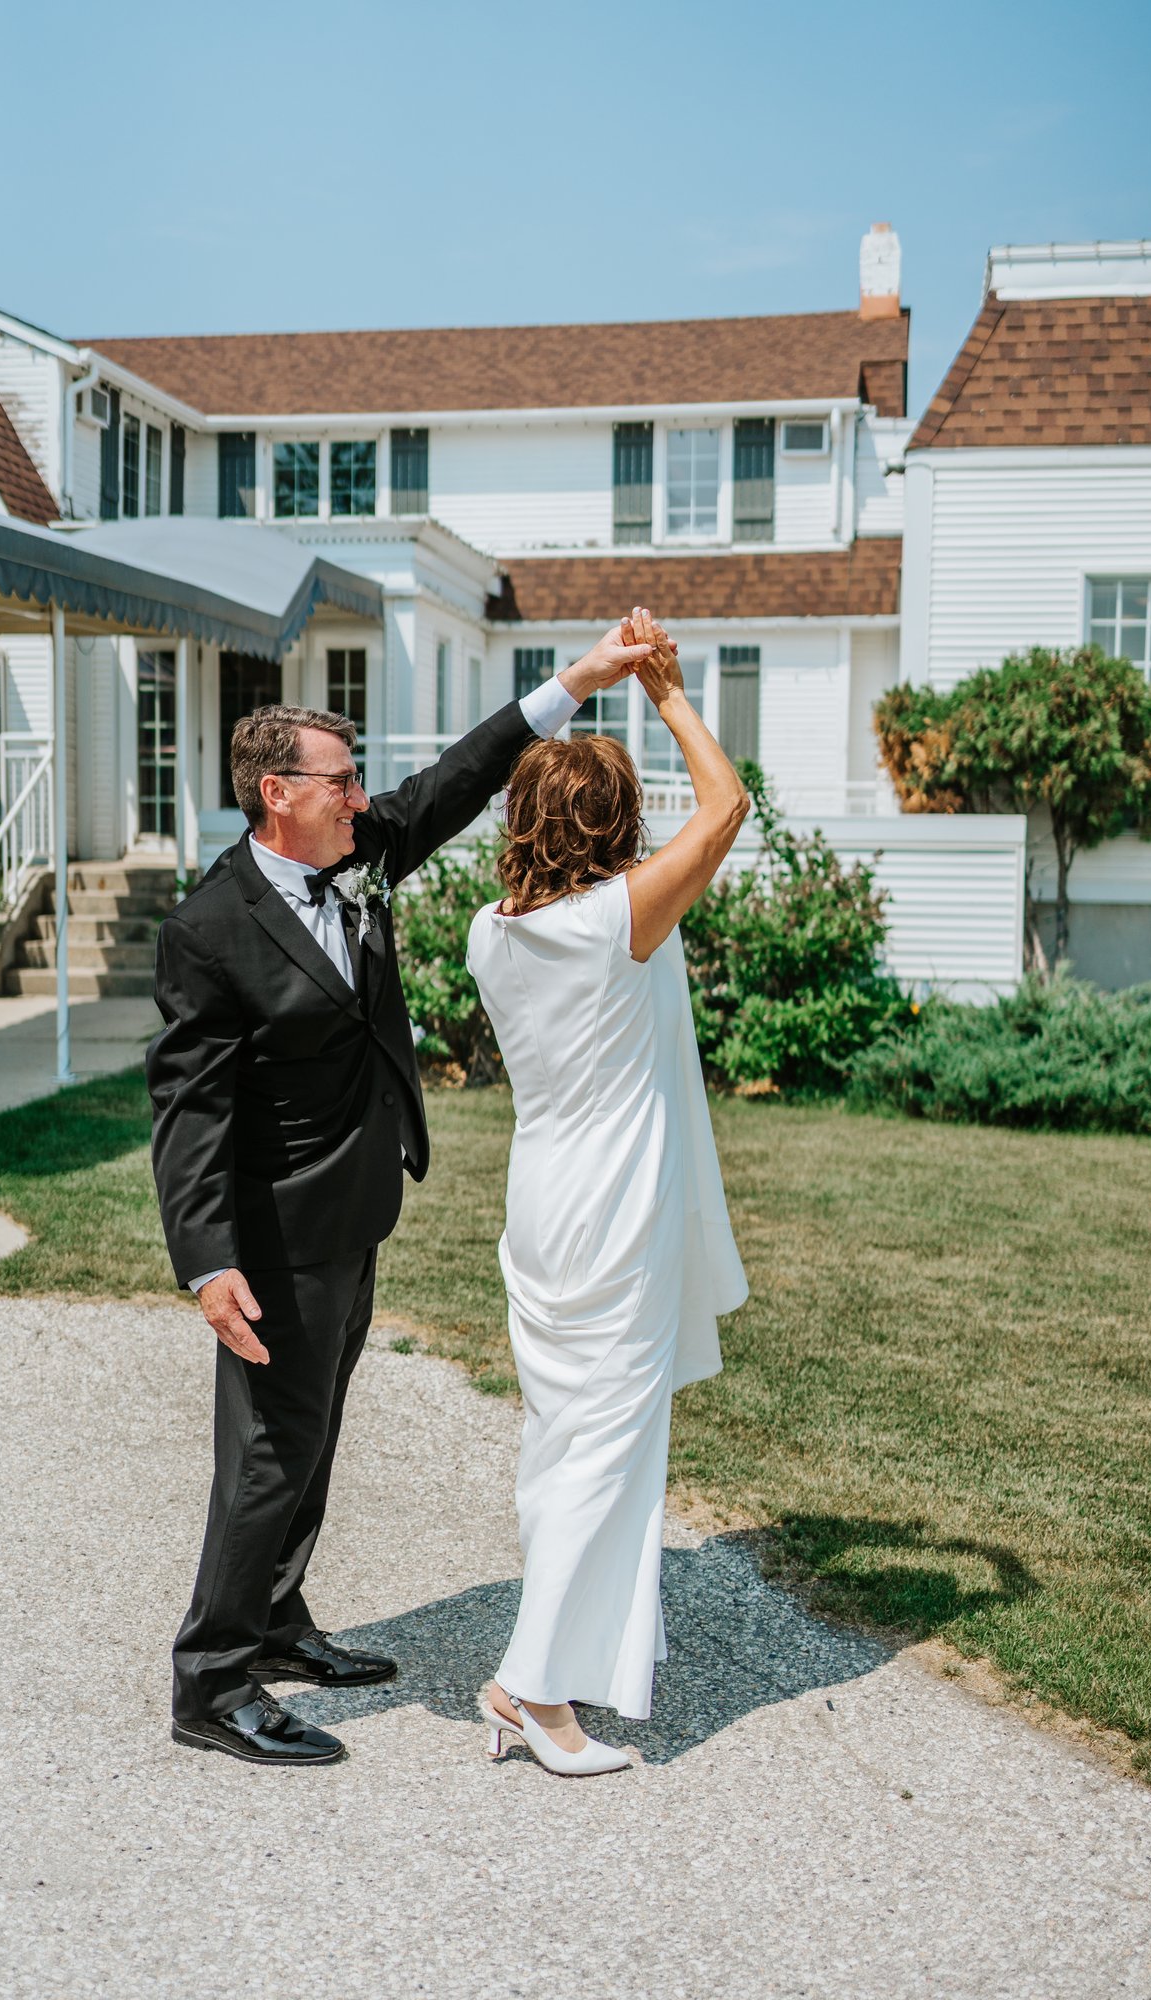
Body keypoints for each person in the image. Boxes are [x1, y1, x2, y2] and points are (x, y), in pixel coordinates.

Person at [146, 623, 655, 1767]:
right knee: (269, 1452)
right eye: (342, 780)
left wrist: (573, 683)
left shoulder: (357, 852)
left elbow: (463, 776)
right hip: (273, 1236)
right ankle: (212, 1679)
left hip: (354, 1212)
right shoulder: (211, 930)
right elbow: (192, 1110)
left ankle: (277, 1618)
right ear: (277, 793)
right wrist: (208, 1259)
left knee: (313, 1432)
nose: (363, 797)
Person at [466, 606, 750, 1777]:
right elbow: (728, 807)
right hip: (615, 1206)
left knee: (560, 1439)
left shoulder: (493, 930)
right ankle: (531, 1687)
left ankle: (555, 1669)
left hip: (540, 1201)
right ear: (619, 821)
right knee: (605, 1446)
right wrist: (670, 691)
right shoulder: (619, 919)